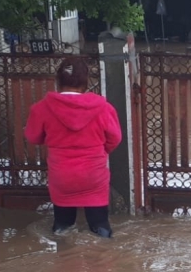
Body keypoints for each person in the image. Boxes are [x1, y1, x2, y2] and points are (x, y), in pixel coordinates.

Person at [24, 58, 122, 238]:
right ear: (86, 82)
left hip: (61, 175)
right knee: (100, 227)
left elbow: (33, 137)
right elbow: (115, 138)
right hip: (94, 174)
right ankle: (106, 261)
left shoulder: (41, 108)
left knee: (62, 228)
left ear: (58, 81)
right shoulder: (103, 108)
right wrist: (99, 152)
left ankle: (63, 262)